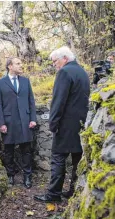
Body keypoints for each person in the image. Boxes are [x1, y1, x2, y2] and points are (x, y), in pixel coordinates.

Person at [34, 46, 90, 203]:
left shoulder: (64, 72)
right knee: (77, 160)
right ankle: (73, 191)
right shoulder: (82, 72)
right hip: (81, 124)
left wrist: (53, 123)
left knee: (58, 158)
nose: (54, 65)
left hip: (65, 126)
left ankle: (53, 195)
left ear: (64, 58)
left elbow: (58, 101)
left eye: (54, 61)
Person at [0, 57, 37, 188]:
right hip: (8, 122)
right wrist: (1, 123)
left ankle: (27, 177)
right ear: (10, 66)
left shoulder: (25, 81)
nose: (21, 65)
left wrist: (33, 119)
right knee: (9, 151)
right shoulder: (0, 83)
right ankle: (10, 176)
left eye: (21, 63)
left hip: (25, 121)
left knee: (26, 150)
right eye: (18, 63)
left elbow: (31, 101)